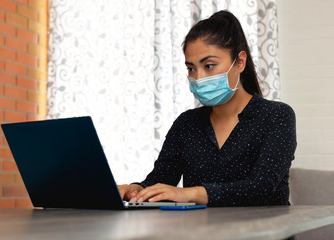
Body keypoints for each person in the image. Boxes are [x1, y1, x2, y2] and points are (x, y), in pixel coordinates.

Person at [118, 10, 297, 207]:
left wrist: (188, 194)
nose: (198, 78)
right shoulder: (186, 124)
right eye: (191, 68)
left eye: (209, 66)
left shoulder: (276, 116)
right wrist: (136, 189)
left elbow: (261, 188)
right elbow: (161, 181)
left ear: (240, 62)